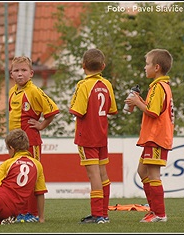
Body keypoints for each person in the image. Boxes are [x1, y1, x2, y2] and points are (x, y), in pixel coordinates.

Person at [124, 49, 174, 223]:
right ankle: (153, 209)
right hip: (152, 137)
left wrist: (138, 103)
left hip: (157, 137)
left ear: (157, 67)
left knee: (153, 175)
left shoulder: (159, 86)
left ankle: (159, 214)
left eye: (147, 64)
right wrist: (140, 101)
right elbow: (154, 108)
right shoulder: (158, 86)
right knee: (142, 171)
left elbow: (153, 112)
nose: (145, 67)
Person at [69, 48, 118, 224]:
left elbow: (77, 110)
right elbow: (112, 110)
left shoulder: (83, 85)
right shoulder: (107, 84)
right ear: (103, 66)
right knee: (103, 173)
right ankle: (104, 213)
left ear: (83, 66)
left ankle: (98, 215)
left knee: (94, 175)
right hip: (102, 136)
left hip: (87, 136)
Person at [8, 55, 59, 221]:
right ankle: (21, 211)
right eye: (16, 70)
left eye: (24, 70)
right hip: (15, 145)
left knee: (33, 176)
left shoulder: (34, 91)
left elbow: (52, 110)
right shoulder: (11, 92)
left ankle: (34, 213)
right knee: (18, 177)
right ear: (11, 74)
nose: (20, 74)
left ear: (31, 73)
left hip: (31, 141)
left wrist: (41, 125)